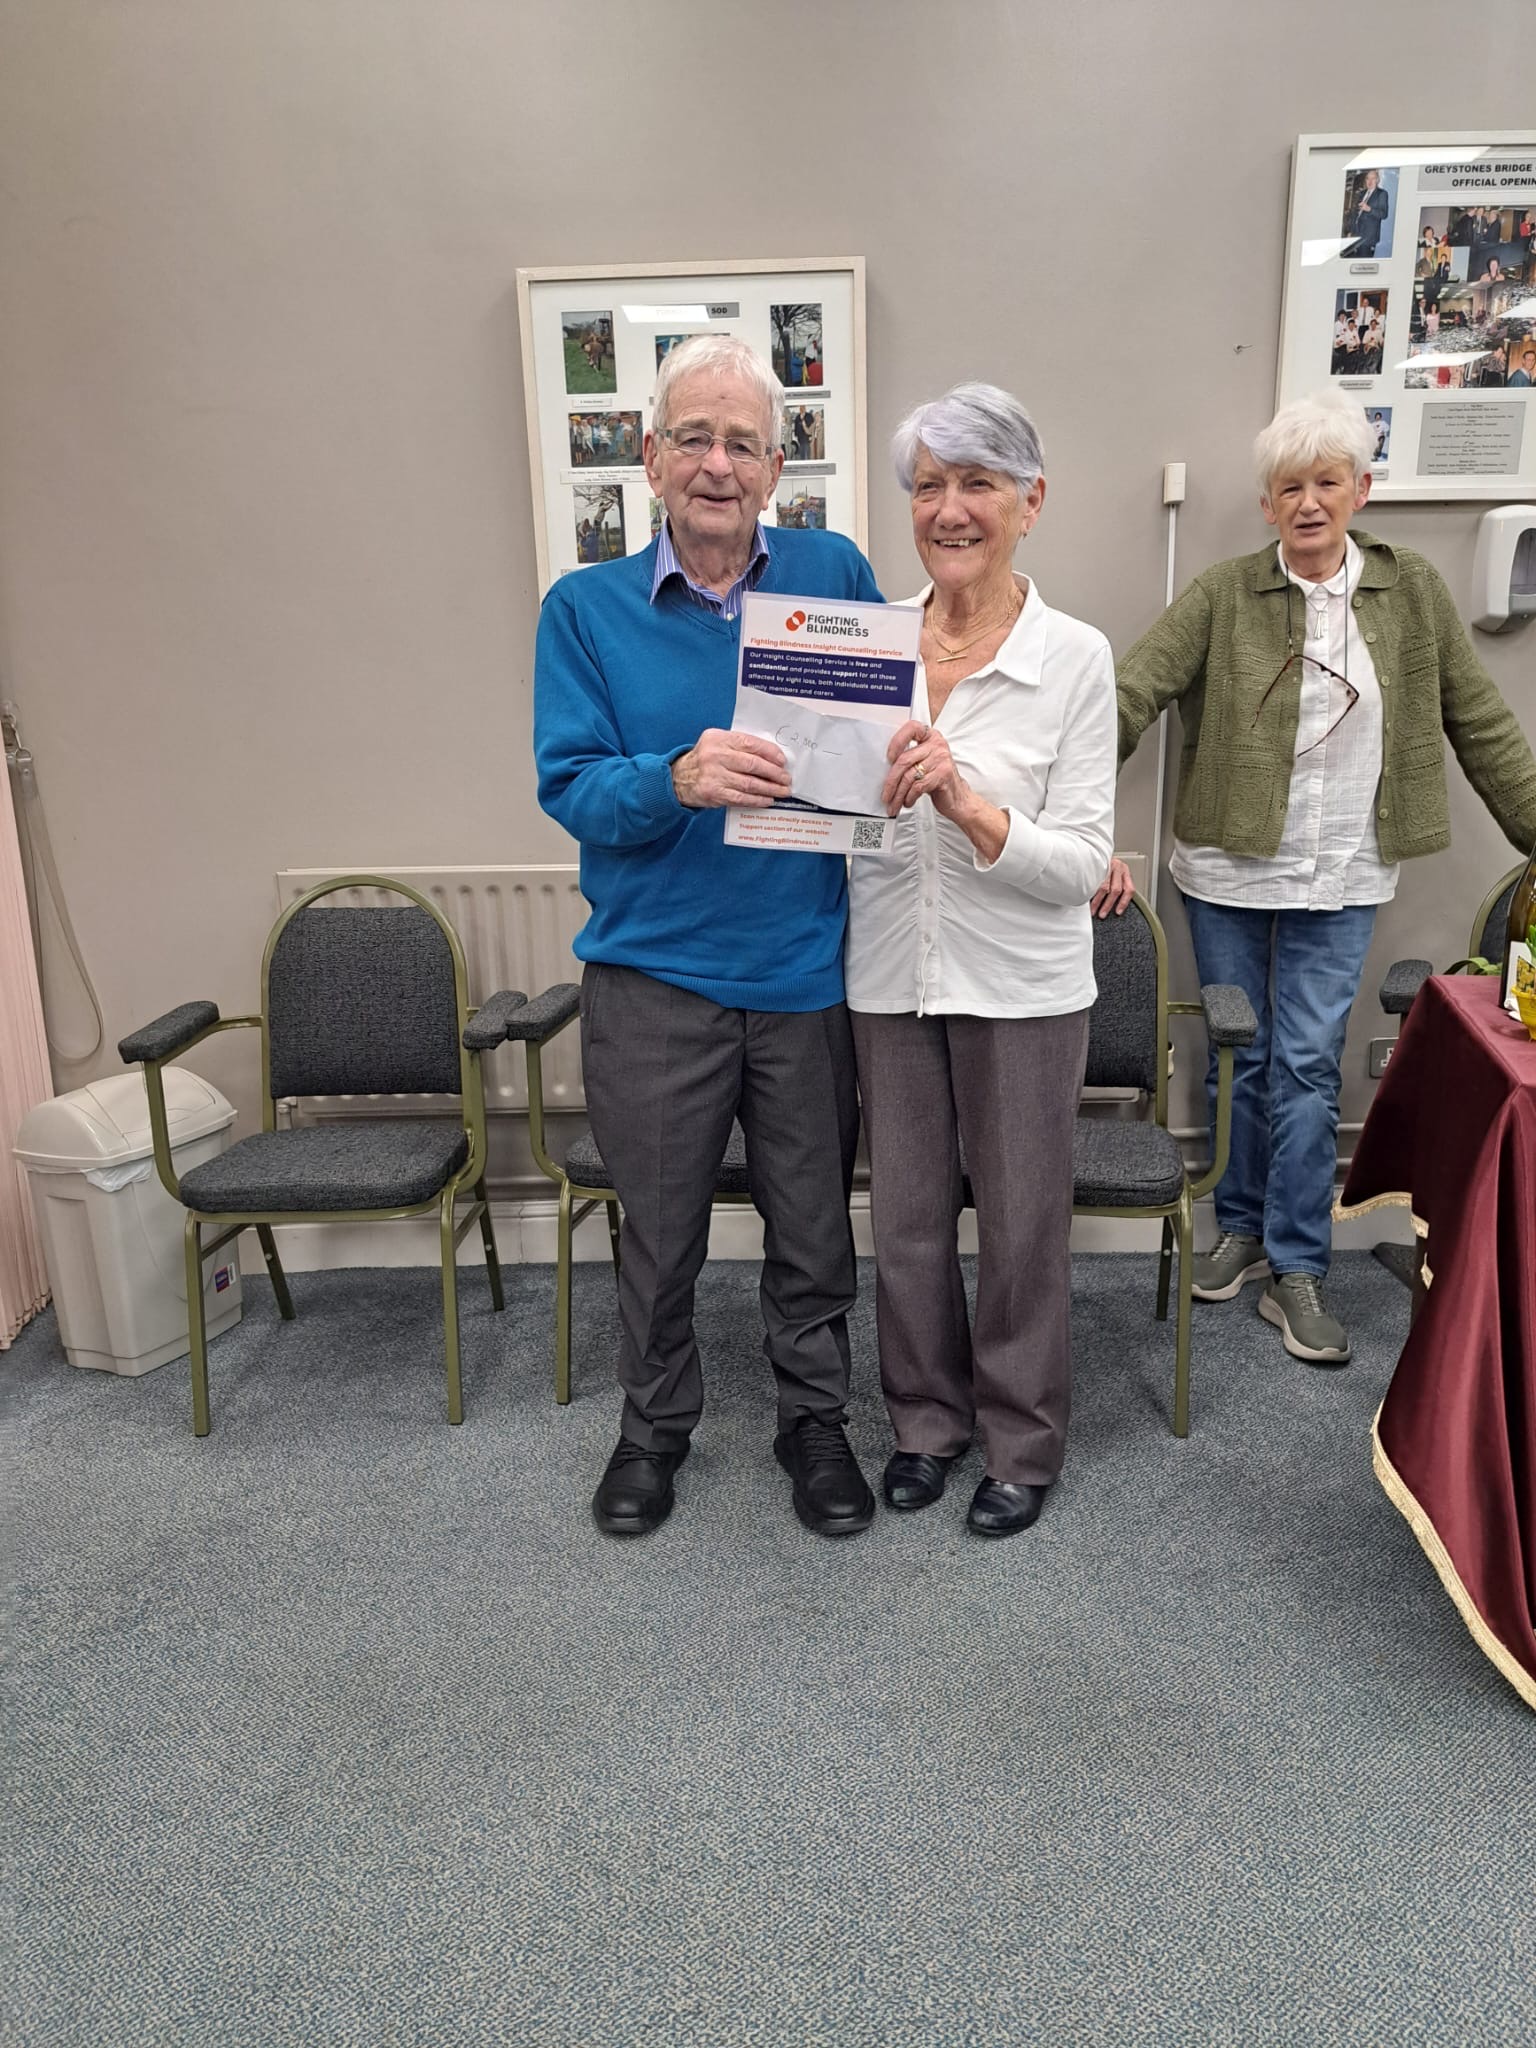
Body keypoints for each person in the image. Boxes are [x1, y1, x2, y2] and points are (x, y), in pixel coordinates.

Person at [1091, 393, 1536, 1367]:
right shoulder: (1222, 594)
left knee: (1303, 1062)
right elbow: (1131, 692)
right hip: (1226, 870)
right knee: (1241, 1053)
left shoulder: (1410, 591)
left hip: (1345, 868)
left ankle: (1297, 1265)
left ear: (1359, 489)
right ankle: (1241, 1228)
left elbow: (1481, 720)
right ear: (1266, 503)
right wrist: (1059, 811)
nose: (1307, 501)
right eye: (1288, 485)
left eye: (1326, 481)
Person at [535, 334, 883, 1540]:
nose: (717, 463)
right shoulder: (583, 610)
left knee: (810, 1222)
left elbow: (888, 730)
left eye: (742, 441)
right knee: (661, 1234)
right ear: (648, 455)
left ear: (778, 466)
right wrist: (673, 778)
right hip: (652, 981)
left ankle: (814, 1420)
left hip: (802, 974)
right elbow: (569, 786)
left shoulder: (836, 571)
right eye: (694, 437)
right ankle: (652, 1429)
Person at [845, 384, 1116, 1536]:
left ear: (1030, 501)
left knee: (1017, 1225)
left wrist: (966, 802)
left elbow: (1086, 864)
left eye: (977, 483)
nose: (949, 509)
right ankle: (923, 1424)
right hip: (889, 978)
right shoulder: (865, 642)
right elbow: (836, 832)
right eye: (928, 486)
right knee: (904, 1220)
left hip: (1024, 989)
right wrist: (851, 795)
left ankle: (1020, 1439)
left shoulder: (1076, 657)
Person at [1344, 169, 1389, 257]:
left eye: (1373, 178)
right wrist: (1351, 231)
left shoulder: (1382, 194)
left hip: (1368, 238)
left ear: (1377, 180)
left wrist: (1369, 209)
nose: (1370, 181)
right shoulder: (1361, 193)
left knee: (1363, 265)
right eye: (1368, 179)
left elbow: (1384, 214)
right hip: (1355, 235)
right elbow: (1355, 214)